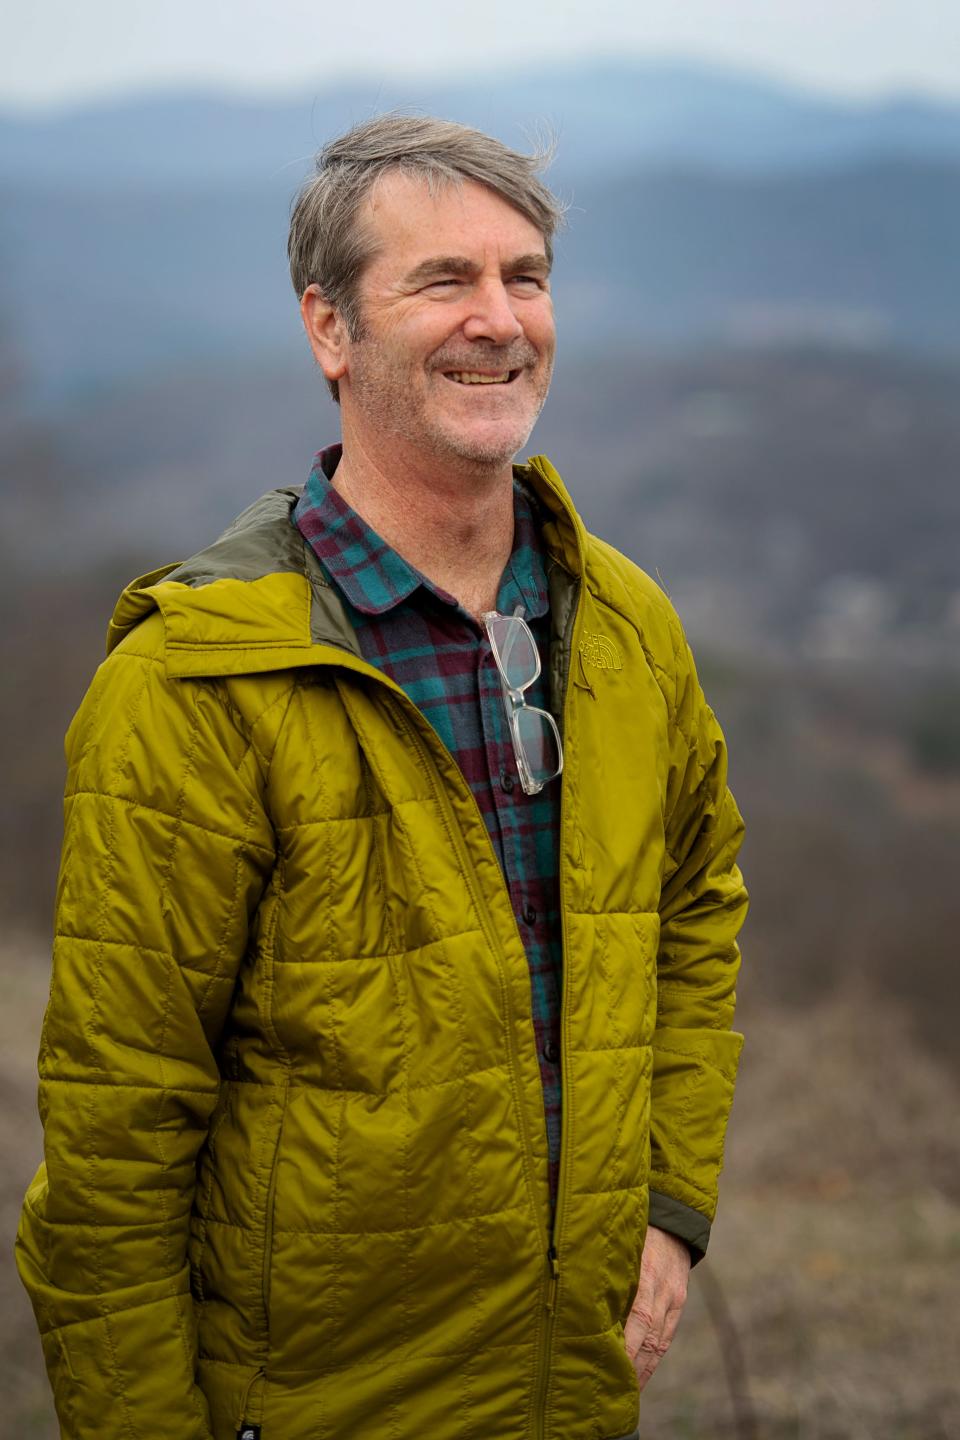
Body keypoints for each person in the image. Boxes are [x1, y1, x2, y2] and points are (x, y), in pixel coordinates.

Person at [16, 116, 748, 1440]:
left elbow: (696, 907)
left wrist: (668, 1200)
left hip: (570, 1393)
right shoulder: (198, 681)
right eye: (442, 281)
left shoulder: (625, 625)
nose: (500, 317)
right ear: (330, 331)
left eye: (524, 276)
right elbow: (115, 1152)